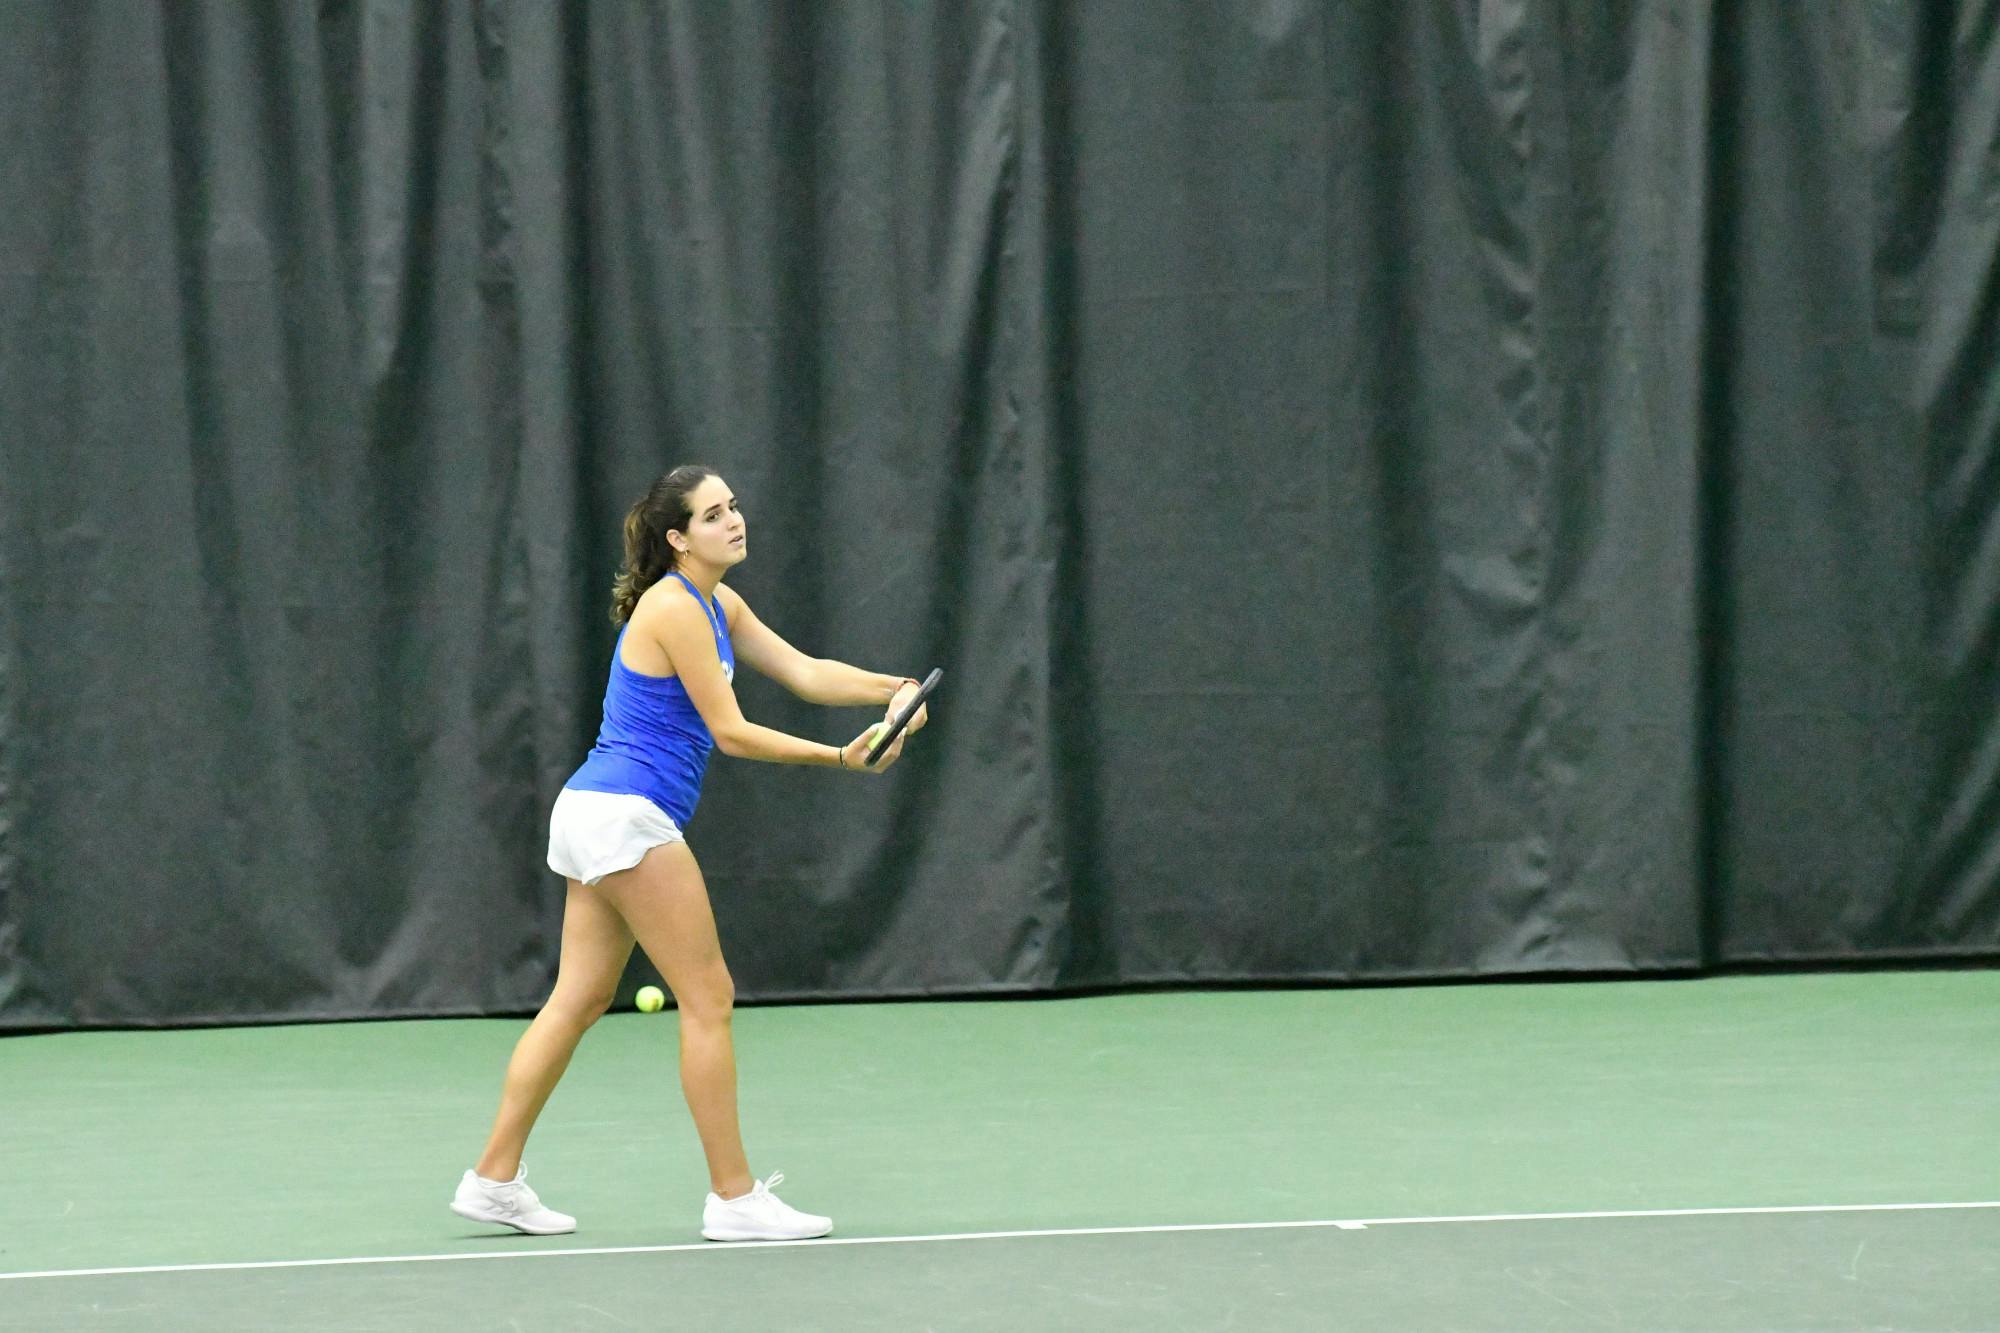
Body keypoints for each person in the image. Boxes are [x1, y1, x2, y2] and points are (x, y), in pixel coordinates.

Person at [451, 465, 929, 1242]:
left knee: (578, 999)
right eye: (712, 514)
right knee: (708, 997)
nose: (733, 520)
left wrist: (893, 689)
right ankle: (733, 1198)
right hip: (626, 816)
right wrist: (841, 758)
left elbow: (805, 672)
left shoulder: (719, 603)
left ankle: (492, 1179)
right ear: (677, 537)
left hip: (593, 812)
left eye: (733, 506)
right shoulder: (672, 607)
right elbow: (731, 731)